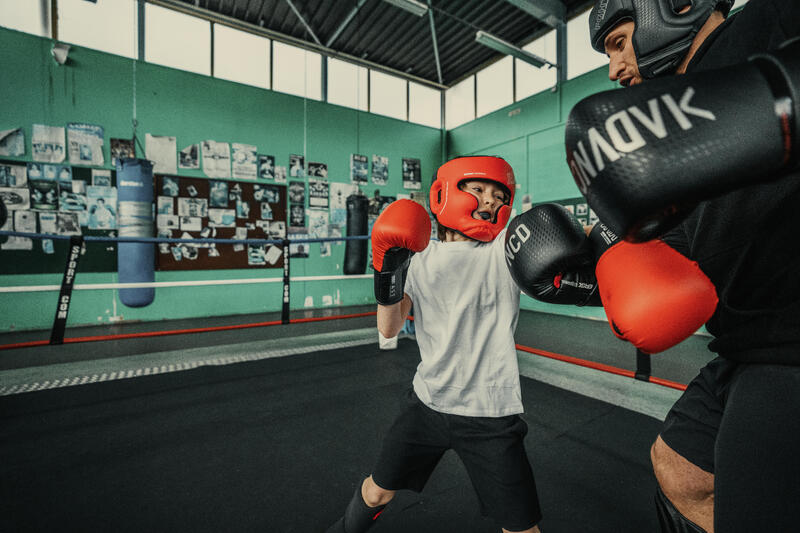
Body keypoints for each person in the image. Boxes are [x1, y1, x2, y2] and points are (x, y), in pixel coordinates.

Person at [575, 0, 800, 531]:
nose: (613, 68)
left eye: (618, 42)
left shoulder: (768, 20)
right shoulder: (665, 137)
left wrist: (774, 101)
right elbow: (675, 260)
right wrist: (587, 271)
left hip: (791, 342)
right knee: (681, 469)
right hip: (742, 340)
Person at [325, 156, 543, 533]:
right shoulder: (419, 257)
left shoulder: (505, 248)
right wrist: (387, 272)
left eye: (498, 195)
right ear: (444, 193)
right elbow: (389, 329)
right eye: (478, 190)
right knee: (377, 493)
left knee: (520, 527)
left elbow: (558, 237)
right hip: (427, 403)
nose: (489, 201)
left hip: (489, 413)